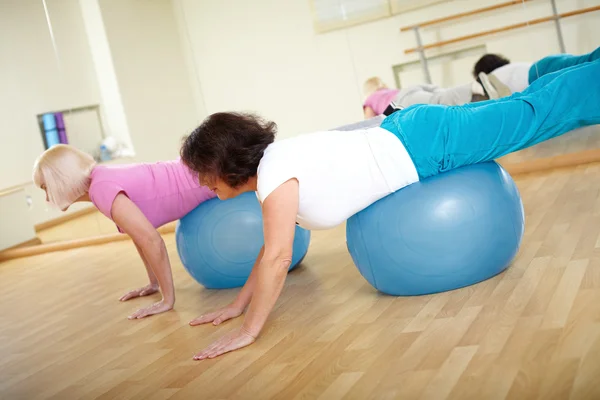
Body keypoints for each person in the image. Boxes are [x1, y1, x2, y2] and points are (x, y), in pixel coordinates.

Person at [179, 47, 599, 361]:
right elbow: (268, 251)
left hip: (426, 144)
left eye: (202, 171)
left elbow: (277, 257)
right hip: (413, 135)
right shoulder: (274, 172)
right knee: (530, 105)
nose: (200, 182)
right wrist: (237, 305)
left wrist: (250, 330)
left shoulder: (274, 176)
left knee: (537, 114)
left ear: (224, 163)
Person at [32, 145, 216, 319]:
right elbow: (138, 235)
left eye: (45, 188)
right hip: (203, 170)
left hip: (211, 175)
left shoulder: (100, 188)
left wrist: (167, 300)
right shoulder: (100, 179)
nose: (48, 197)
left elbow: (152, 241)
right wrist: (154, 283)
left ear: (60, 180)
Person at [361, 75, 509, 119]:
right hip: (411, 89)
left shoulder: (369, 100)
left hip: (399, 103)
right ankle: (479, 96)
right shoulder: (388, 91)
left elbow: (370, 123)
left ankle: (475, 86)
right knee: (443, 97)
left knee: (439, 102)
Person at [473, 46, 600, 95]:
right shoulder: (505, 72)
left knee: (588, 63)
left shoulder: (491, 79)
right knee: (587, 63)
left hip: (540, 72)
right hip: (543, 66)